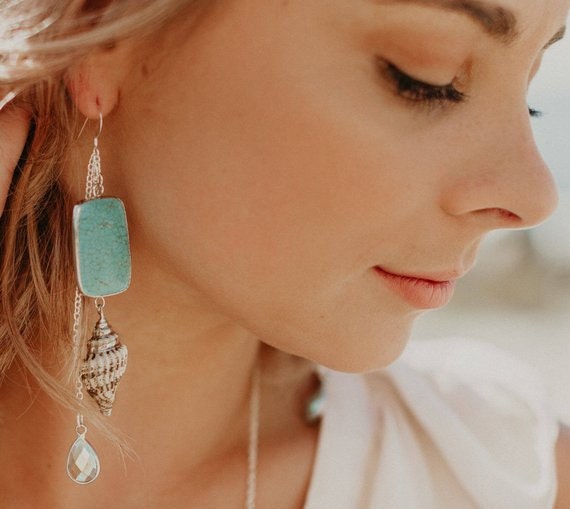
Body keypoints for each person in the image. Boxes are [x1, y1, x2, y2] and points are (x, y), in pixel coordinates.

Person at [0, 0, 569, 507]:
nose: (536, 195)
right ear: (101, 32)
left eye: (529, 100)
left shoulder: (504, 472)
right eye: (428, 78)